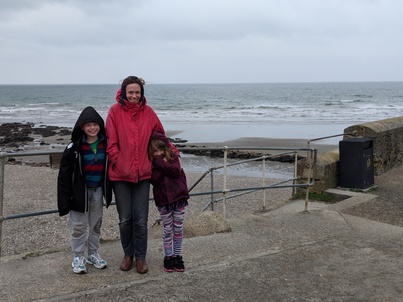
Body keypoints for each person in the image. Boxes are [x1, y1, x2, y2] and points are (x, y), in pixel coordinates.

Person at [106, 76, 167, 274]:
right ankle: (128, 254)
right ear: (124, 92)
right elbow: (111, 141)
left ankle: (141, 258)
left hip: (143, 175)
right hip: (120, 175)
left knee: (141, 219)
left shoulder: (148, 112)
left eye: (137, 92)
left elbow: (160, 136)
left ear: (141, 94)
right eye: (130, 92)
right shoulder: (114, 111)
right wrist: (118, 160)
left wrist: (166, 155)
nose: (134, 96)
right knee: (125, 218)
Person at [57, 106, 112, 274]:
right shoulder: (73, 148)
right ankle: (78, 256)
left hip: (98, 191)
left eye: (95, 124)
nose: (92, 128)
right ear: (82, 127)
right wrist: (64, 201)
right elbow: (64, 175)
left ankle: (93, 253)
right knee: (78, 226)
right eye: (88, 125)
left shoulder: (106, 144)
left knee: (96, 225)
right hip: (79, 193)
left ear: (100, 125)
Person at [148, 130, 189, 272]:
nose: (158, 153)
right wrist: (160, 163)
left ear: (166, 148)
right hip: (163, 201)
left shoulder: (175, 158)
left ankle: (177, 256)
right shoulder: (153, 164)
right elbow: (155, 180)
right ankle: (168, 257)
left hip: (179, 198)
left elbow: (175, 171)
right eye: (155, 151)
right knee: (167, 229)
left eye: (160, 150)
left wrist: (160, 165)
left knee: (177, 229)